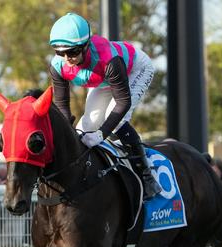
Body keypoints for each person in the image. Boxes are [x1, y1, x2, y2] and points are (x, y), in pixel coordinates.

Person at [48, 12, 161, 199]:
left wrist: (102, 134)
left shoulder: (109, 59)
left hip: (134, 69)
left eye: (73, 51)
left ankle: (146, 177)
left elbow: (123, 102)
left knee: (115, 122)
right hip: (103, 80)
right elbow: (62, 105)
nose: (67, 58)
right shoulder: (57, 66)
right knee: (84, 128)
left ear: (86, 45)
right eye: (60, 52)